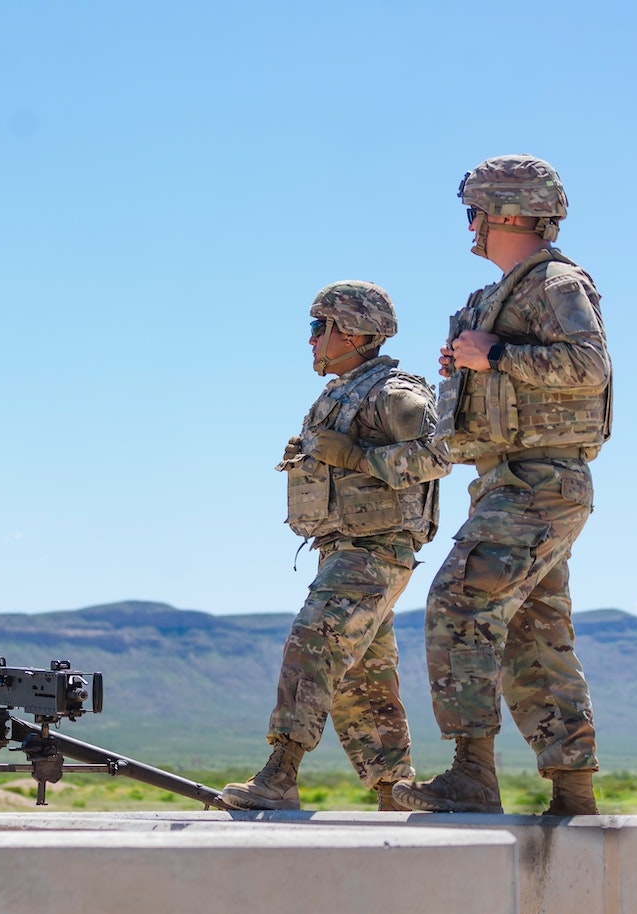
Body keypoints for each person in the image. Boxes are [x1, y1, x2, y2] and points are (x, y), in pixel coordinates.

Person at [393, 155, 612, 816]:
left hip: (538, 481)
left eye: (475, 213)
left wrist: (494, 357)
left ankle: (471, 774)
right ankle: (572, 793)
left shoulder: (555, 282)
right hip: (511, 481)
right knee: (534, 635)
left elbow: (589, 365)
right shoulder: (496, 296)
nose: (471, 227)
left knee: (461, 601)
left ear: (501, 213)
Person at [221, 281, 449, 811]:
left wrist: (353, 457)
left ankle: (281, 773)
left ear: (351, 331)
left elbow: (438, 456)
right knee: (362, 679)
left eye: (317, 327)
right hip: (346, 549)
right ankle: (394, 791)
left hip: (373, 549)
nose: (311, 341)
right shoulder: (340, 393)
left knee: (313, 643)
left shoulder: (396, 393)